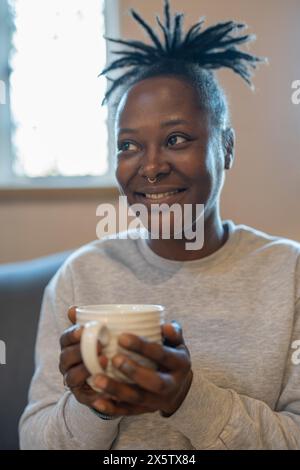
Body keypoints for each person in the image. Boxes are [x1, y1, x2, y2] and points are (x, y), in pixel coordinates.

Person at [20, 0, 300, 449]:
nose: (150, 168)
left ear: (226, 147)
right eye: (128, 145)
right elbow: (35, 440)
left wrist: (186, 398)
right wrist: (91, 405)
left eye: (176, 139)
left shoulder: (290, 274)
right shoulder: (81, 275)